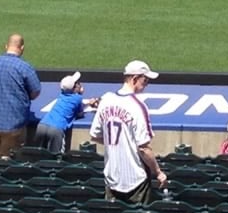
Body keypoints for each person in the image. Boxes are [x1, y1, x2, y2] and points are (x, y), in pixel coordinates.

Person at [93, 61, 166, 202]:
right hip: (136, 180)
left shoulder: (106, 100)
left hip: (111, 178)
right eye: (145, 80)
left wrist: (121, 144)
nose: (147, 84)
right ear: (134, 79)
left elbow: (95, 135)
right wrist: (158, 172)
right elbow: (143, 148)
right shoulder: (138, 106)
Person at [0, 34, 40, 159]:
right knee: (11, 164)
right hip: (13, 125)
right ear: (22, 48)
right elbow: (35, 92)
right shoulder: (24, 67)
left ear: (6, 46)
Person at [35, 72, 90, 155]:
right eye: (78, 83)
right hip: (56, 129)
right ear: (74, 88)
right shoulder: (78, 98)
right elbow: (80, 114)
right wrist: (80, 93)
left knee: (37, 155)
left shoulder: (62, 95)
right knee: (57, 158)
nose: (80, 84)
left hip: (42, 126)